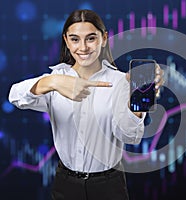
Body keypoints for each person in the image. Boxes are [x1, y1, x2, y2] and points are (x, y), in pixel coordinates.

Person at [8, 9, 164, 200]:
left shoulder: (122, 82)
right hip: (65, 183)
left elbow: (129, 136)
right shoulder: (55, 79)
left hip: (109, 185)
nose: (83, 47)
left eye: (91, 38)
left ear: (104, 39)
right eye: (75, 39)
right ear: (66, 40)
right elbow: (15, 96)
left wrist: (137, 108)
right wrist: (53, 82)